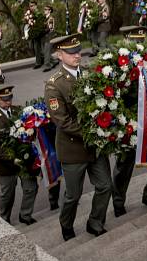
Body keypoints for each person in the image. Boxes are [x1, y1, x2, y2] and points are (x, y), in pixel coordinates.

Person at [44, 33, 112, 241]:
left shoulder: (91, 73)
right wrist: (92, 133)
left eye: (78, 51)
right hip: (73, 148)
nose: (77, 55)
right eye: (71, 52)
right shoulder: (54, 84)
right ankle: (66, 224)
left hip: (95, 146)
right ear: (59, 55)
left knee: (105, 186)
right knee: (73, 195)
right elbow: (62, 120)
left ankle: (95, 222)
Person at [110, 25, 147, 217]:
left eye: (142, 40)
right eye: (135, 41)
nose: (139, 45)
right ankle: (118, 201)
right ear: (126, 40)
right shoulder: (118, 63)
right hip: (129, 122)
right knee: (123, 167)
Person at [0, 84, 38, 225]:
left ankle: (25, 215)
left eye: (10, 98)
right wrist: (11, 158)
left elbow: (30, 127)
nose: (9, 102)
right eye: (5, 99)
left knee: (31, 188)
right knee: (8, 193)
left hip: (25, 160)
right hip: (5, 164)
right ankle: (4, 218)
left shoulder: (18, 111)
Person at [41, 5, 58, 72]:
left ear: (50, 11)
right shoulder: (44, 18)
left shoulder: (50, 18)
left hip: (49, 36)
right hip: (45, 36)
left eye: (46, 9)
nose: (45, 10)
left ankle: (48, 66)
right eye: (44, 9)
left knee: (47, 51)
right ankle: (54, 61)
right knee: (45, 51)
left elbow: (50, 28)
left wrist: (42, 32)